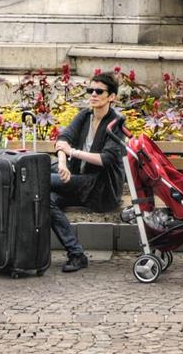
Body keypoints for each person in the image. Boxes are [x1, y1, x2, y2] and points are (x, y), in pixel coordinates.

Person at [48, 71, 129, 274]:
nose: (93, 94)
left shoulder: (116, 123)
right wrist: (63, 164)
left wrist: (73, 152)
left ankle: (75, 255)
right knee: (46, 199)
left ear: (112, 97)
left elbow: (107, 159)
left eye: (99, 91)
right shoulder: (85, 115)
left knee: (37, 180)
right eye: (90, 90)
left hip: (100, 188)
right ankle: (77, 254)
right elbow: (63, 139)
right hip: (77, 182)